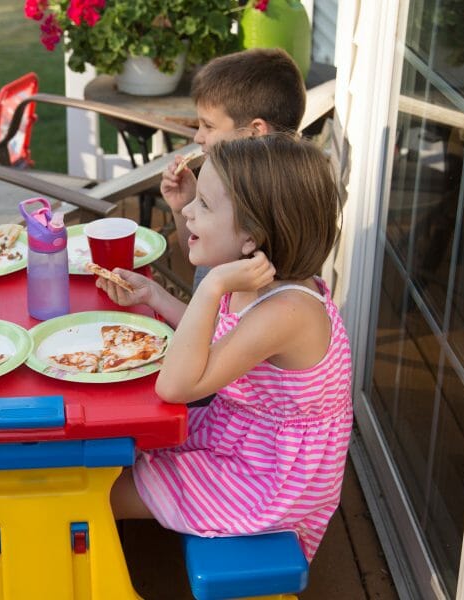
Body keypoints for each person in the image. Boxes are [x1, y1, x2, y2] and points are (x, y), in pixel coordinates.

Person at [100, 135, 352, 562]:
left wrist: (210, 288)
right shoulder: (261, 283)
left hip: (268, 481)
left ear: (252, 237)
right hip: (239, 438)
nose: (185, 211)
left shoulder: (286, 311)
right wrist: (155, 298)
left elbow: (176, 387)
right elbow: (219, 340)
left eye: (204, 205)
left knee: (98, 496)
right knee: (113, 452)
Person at [160, 48, 306, 292]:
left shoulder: (264, 211)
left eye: (208, 126)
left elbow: (216, 326)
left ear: (254, 131)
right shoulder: (225, 183)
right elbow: (203, 258)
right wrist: (183, 204)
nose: (198, 136)